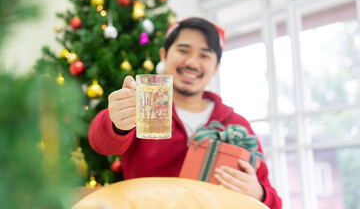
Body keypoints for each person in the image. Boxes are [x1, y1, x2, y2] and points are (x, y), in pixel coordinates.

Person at [88, 17, 282, 209]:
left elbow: (274, 202)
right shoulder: (145, 107)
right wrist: (117, 123)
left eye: (204, 55)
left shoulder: (237, 125)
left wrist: (258, 192)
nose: (192, 62)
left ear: (216, 67)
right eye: (183, 50)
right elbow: (100, 142)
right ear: (164, 55)